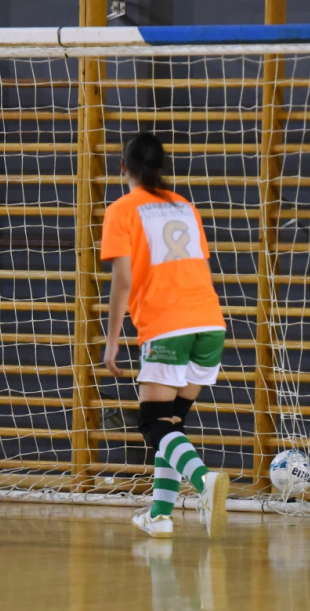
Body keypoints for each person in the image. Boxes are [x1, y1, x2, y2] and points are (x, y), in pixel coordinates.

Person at [101, 132, 229, 540]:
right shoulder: (185, 207)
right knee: (171, 423)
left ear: (124, 167)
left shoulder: (122, 210)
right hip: (210, 323)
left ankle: (204, 481)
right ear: (163, 167)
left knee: (152, 423)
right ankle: (160, 515)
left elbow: (123, 280)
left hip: (168, 325)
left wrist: (112, 339)